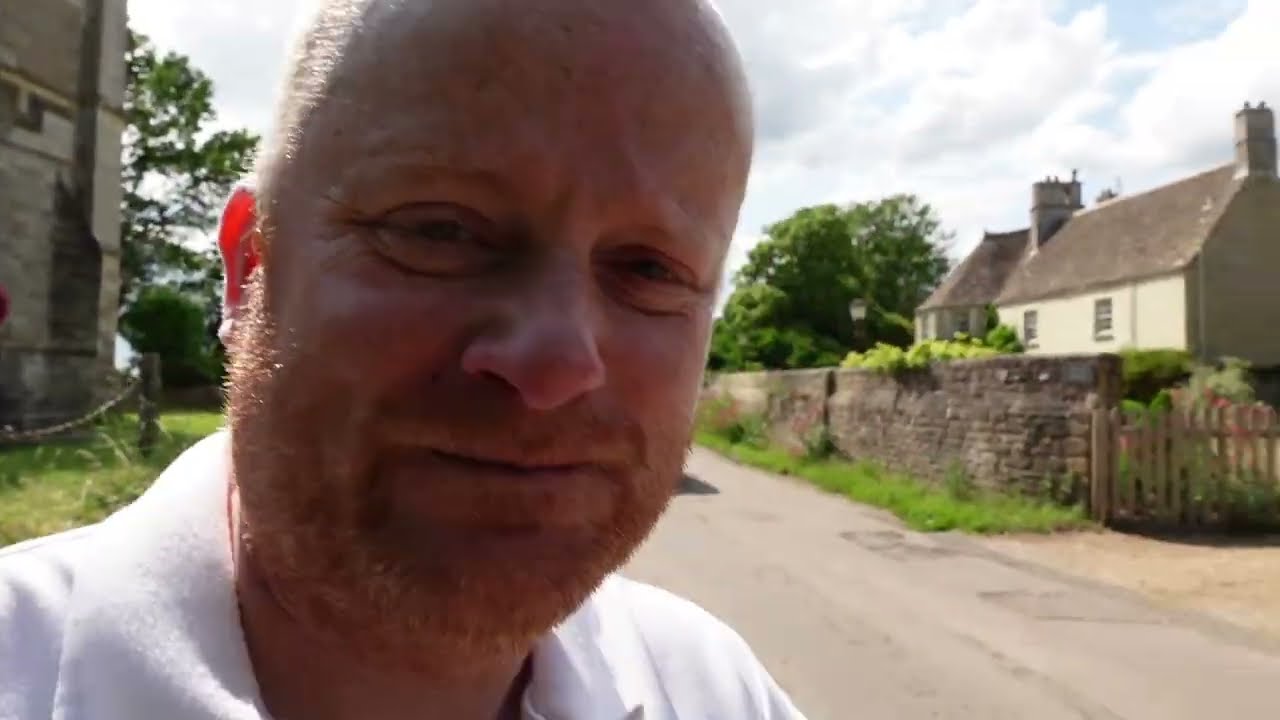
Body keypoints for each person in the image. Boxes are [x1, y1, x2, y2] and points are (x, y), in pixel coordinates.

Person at [0, 0, 804, 718]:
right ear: (251, 269)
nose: (556, 361)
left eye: (649, 271)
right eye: (439, 231)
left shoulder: (715, 688)